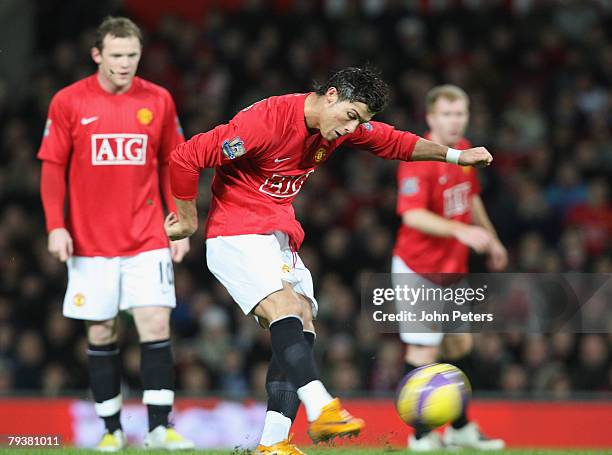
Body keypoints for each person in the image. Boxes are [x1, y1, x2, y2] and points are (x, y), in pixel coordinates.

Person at [163, 67, 492, 455]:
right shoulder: (263, 123)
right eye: (352, 116)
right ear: (331, 95)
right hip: (235, 232)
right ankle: (322, 407)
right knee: (286, 308)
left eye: (361, 121)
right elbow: (186, 157)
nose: (352, 129)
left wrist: (455, 156)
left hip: (278, 234)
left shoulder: (336, 129)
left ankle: (272, 444)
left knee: (302, 320)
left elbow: (392, 141)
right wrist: (186, 218)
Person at [38, 16, 194, 451]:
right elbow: (52, 167)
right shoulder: (68, 102)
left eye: (132, 56)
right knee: (102, 331)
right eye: (117, 56)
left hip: (146, 236)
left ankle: (160, 428)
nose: (125, 64)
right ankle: (111, 430)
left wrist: (178, 223)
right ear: (97, 55)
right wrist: (56, 225)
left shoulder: (158, 100)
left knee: (155, 321)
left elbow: (171, 164)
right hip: (90, 243)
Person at [391, 84, 507, 451]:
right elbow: (411, 215)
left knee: (459, 345)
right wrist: (462, 231)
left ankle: (459, 428)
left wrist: (492, 238)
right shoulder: (421, 158)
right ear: (430, 118)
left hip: (452, 268)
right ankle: (420, 436)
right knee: (423, 353)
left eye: (460, 113)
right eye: (447, 114)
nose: (454, 121)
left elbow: (470, 198)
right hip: (419, 268)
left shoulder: (465, 152)